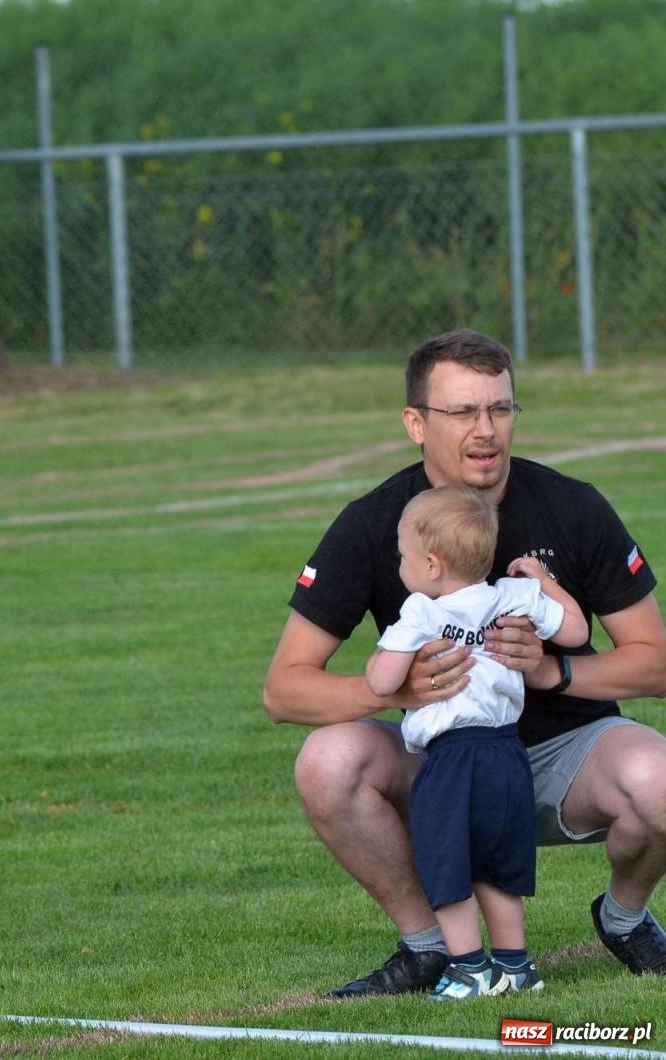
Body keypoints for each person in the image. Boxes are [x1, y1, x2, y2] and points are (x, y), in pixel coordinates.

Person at [263, 328, 666, 998]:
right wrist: (399, 691)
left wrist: (554, 674)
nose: (486, 430)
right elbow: (284, 690)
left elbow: (655, 662)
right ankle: (430, 950)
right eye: (462, 413)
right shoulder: (375, 524)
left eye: (500, 409)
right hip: (442, 760)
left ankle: (624, 918)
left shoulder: (572, 506)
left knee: (661, 781)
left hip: (568, 755)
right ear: (416, 423)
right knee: (327, 761)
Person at [364, 485, 586, 999]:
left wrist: (384, 660)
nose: (400, 564)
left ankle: (468, 968)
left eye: (403, 555)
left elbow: (381, 682)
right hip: (507, 752)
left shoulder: (421, 611)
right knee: (498, 861)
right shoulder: (512, 598)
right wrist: (545, 583)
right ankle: (517, 968)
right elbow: (574, 633)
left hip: (451, 757)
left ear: (433, 564)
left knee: (447, 860)